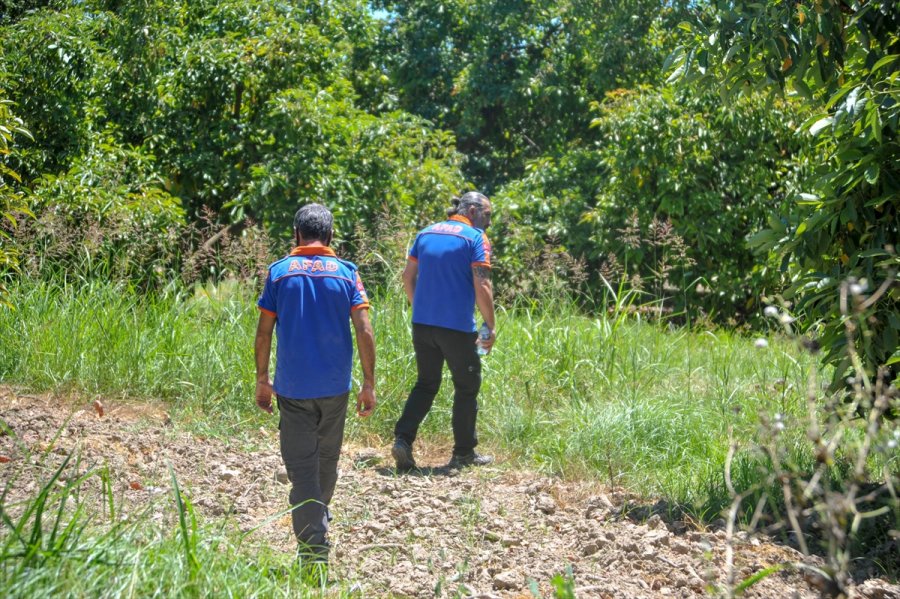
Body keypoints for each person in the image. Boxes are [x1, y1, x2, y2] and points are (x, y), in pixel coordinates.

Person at [254, 203, 376, 573]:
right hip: (335, 388)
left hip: (293, 388)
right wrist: (368, 383)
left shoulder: (279, 273)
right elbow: (364, 328)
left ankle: (313, 551)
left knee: (302, 469)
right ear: (331, 236)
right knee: (326, 461)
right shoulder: (346, 273)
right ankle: (317, 521)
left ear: (296, 234)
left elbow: (264, 331)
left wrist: (262, 379)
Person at [392, 191, 496, 471]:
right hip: (457, 328)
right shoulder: (475, 239)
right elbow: (482, 285)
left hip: (422, 325)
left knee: (426, 383)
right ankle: (463, 453)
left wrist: (420, 308)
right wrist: (490, 325)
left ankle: (403, 439)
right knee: (466, 385)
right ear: (472, 211)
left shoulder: (425, 233)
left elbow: (407, 277)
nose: (489, 223)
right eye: (487, 215)